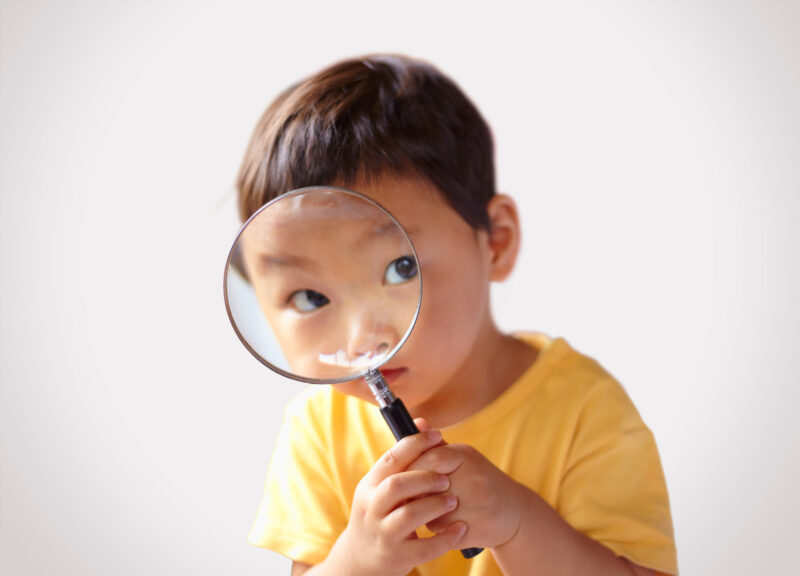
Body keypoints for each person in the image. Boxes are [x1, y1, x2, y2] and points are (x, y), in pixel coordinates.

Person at [236, 54, 678, 576]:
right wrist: (359, 561)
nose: (362, 339)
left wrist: (519, 524)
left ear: (497, 242)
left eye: (401, 268)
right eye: (311, 298)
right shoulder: (317, 429)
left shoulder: (585, 409)